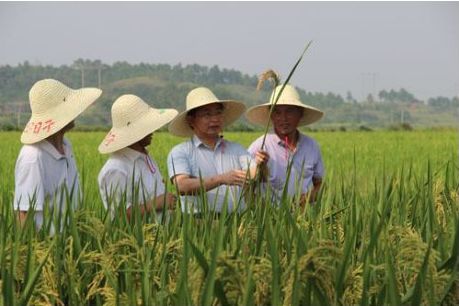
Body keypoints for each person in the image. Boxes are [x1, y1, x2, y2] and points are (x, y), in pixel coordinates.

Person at [13, 79, 102, 232]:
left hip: (71, 240)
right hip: (47, 246)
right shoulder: (33, 157)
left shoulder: (66, 145)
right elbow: (24, 215)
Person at [167, 87, 268, 216]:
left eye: (218, 113)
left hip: (237, 221)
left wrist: (260, 164)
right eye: (207, 114)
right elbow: (181, 186)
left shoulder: (237, 149)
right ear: (191, 120)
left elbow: (252, 175)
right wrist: (221, 179)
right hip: (200, 223)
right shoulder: (180, 152)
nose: (215, 119)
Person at [98, 94, 178, 221]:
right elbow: (119, 216)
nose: (153, 131)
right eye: (147, 127)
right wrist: (157, 203)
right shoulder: (116, 169)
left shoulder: (145, 157)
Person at [246, 84, 324, 206]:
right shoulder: (260, 147)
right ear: (271, 116)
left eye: (290, 112)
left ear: (300, 114)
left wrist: (309, 197)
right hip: (271, 219)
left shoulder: (312, 146)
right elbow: (246, 188)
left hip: (305, 218)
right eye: (277, 113)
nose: (283, 118)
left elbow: (319, 183)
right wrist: (259, 169)